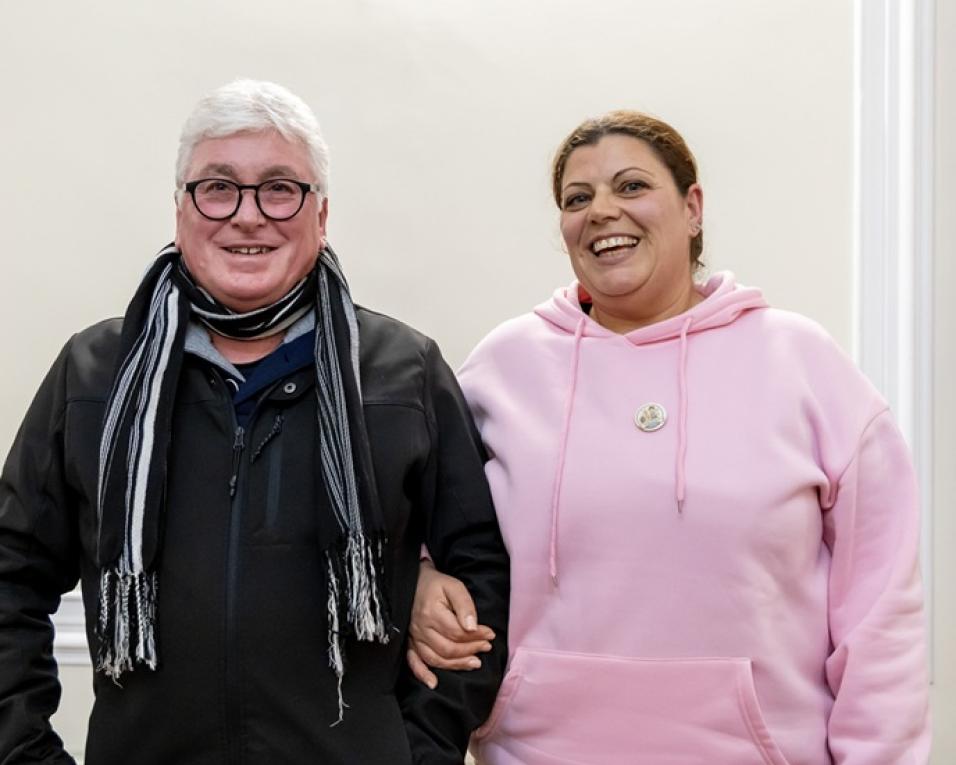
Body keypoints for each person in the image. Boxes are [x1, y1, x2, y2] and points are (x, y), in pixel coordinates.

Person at [0, 79, 509, 765]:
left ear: (321, 214)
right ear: (181, 210)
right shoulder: (95, 373)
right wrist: (24, 748)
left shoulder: (405, 371)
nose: (247, 216)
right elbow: (12, 571)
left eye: (279, 187)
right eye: (218, 187)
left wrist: (419, 748)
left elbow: (481, 572)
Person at [408, 110, 931, 764]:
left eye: (630, 186)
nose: (601, 211)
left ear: (692, 208)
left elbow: (881, 613)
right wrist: (420, 580)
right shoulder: (502, 367)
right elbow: (421, 522)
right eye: (578, 198)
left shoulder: (802, 363)